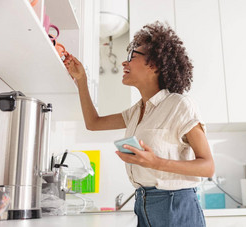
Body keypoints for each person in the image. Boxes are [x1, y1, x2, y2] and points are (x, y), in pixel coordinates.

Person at [63, 21, 214, 227]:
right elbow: (93, 123)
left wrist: (155, 162)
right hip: (142, 203)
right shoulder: (136, 110)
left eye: (132, 57)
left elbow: (208, 167)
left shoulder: (179, 105)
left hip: (175, 206)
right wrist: (81, 80)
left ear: (154, 65)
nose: (125, 63)